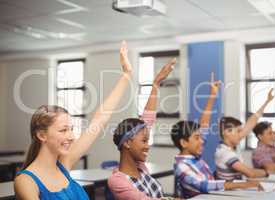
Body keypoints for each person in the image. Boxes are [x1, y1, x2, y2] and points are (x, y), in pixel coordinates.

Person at [14, 41, 133, 199]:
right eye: (63, 130)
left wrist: (126, 75)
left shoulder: (64, 164)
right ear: (42, 135)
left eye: (71, 129)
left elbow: (100, 119)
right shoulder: (26, 181)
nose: (71, 136)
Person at [171, 75, 260, 199]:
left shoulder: (194, 157)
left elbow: (204, 125)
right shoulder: (181, 166)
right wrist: (247, 184)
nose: (202, 141)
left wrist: (212, 95)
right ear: (184, 143)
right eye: (197, 138)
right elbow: (205, 185)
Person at [108, 57, 180, 200]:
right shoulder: (118, 181)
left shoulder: (140, 168)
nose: (148, 146)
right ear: (128, 142)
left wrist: (156, 83)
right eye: (144, 141)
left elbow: (147, 121)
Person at [214, 89, 274, 181]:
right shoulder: (225, 153)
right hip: (228, 193)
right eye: (238, 131)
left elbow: (251, 122)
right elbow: (250, 173)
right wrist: (267, 172)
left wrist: (267, 101)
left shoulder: (231, 145)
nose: (241, 134)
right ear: (227, 132)